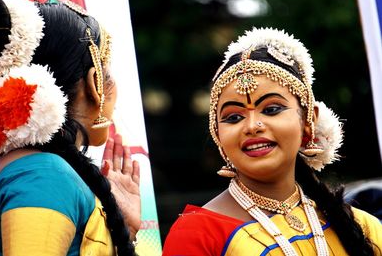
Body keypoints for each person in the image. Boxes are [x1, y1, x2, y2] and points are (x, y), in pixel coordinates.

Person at [162, 28, 382, 256]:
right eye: (234, 117)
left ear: (308, 120)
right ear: (217, 133)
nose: (252, 126)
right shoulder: (198, 236)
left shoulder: (363, 228)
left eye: (271, 109)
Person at [0, 0, 141, 255]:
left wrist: (123, 231)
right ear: (94, 83)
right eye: (107, 72)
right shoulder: (43, 174)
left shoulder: (30, 168)